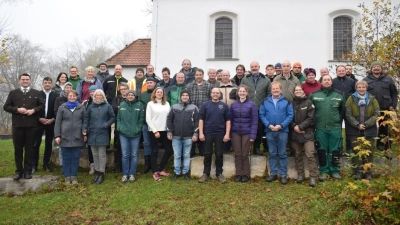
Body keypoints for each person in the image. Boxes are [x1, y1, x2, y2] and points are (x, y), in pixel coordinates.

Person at [4, 73, 44, 180]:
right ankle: (18, 171)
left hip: (31, 125)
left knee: (29, 149)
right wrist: (17, 109)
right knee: (18, 149)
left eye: (27, 79)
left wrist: (33, 110)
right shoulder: (13, 93)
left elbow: (41, 106)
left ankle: (27, 171)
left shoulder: (36, 93)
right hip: (18, 126)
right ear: (19, 81)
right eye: (23, 79)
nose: (25, 81)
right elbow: (6, 107)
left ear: (30, 81)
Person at [309, 75, 345, 181]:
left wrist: (338, 122)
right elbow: (310, 111)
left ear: (331, 82)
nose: (327, 81)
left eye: (328, 80)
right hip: (320, 127)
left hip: (335, 127)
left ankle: (335, 171)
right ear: (321, 82)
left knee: (335, 150)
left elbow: (343, 111)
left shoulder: (339, 95)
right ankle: (324, 171)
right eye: (325, 80)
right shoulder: (314, 95)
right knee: (322, 150)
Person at [260, 82, 293, 185]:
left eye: (277, 89)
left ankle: (283, 175)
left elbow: (290, 115)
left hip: (282, 130)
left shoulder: (287, 101)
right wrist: (268, 125)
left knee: (282, 153)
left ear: (281, 90)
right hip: (270, 130)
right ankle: (273, 173)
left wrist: (281, 125)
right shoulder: (265, 101)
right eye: (273, 89)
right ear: (271, 90)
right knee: (272, 153)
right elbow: (261, 114)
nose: (275, 90)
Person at [346, 80, 380, 180]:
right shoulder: (351, 98)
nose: (361, 89)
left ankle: (368, 172)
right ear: (356, 88)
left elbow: (377, 114)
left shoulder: (372, 99)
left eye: (363, 87)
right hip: (354, 130)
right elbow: (348, 114)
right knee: (357, 152)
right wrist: (357, 125)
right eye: (359, 87)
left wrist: (366, 124)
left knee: (369, 152)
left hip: (369, 130)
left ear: (366, 88)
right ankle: (358, 172)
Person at [198, 87, 231, 184]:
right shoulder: (205, 105)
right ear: (211, 94)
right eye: (214, 93)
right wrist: (201, 132)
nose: (215, 94)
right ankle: (206, 173)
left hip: (220, 133)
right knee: (207, 153)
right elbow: (201, 120)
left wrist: (227, 134)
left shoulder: (224, 106)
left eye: (217, 93)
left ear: (220, 94)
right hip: (207, 132)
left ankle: (219, 174)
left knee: (219, 154)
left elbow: (228, 121)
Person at [82, 89, 115, 184]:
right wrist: (84, 128)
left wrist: (106, 124)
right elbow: (87, 119)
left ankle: (101, 173)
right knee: (95, 154)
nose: (99, 97)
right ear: (94, 96)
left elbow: (113, 117)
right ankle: (97, 172)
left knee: (102, 154)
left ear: (103, 96)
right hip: (92, 133)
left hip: (103, 133)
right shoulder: (91, 107)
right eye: (97, 95)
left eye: (100, 95)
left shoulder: (107, 106)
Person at [363, 61, 398, 150]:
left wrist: (393, 105)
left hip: (385, 108)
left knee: (384, 127)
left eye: (378, 66)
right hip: (371, 108)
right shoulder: (366, 80)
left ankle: (381, 144)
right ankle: (369, 144)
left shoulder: (388, 79)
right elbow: (362, 94)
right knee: (370, 126)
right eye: (374, 67)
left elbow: (394, 93)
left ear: (381, 69)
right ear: (371, 69)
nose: (376, 68)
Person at [54, 90, 86, 185]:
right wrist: (57, 135)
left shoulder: (81, 107)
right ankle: (67, 176)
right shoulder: (62, 108)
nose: (72, 97)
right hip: (64, 137)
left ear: (77, 97)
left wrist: (85, 132)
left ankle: (74, 176)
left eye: (74, 96)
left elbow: (85, 121)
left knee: (75, 157)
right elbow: (58, 122)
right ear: (67, 97)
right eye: (70, 96)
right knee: (66, 157)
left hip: (77, 137)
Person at [167, 90, 199, 181]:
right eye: (183, 95)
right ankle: (176, 172)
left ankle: (185, 172)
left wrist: (195, 133)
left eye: (187, 95)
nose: (185, 97)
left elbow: (197, 121)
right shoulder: (174, 107)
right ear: (181, 97)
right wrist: (169, 132)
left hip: (188, 136)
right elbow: (169, 119)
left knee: (186, 155)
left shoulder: (194, 107)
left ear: (189, 97)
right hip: (176, 136)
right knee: (177, 155)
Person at [240, 61, 271, 155]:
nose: (254, 68)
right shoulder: (245, 79)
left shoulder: (266, 80)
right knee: (246, 128)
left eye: (255, 66)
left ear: (259, 67)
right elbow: (241, 91)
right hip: (247, 108)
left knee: (259, 129)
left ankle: (256, 147)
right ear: (250, 68)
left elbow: (269, 93)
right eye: (252, 67)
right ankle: (246, 148)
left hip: (260, 108)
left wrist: (264, 104)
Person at [290, 85, 318, 187]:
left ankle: (313, 177)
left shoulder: (309, 103)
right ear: (294, 92)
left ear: (303, 91)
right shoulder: (291, 103)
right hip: (295, 134)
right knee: (297, 155)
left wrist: (301, 127)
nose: (298, 91)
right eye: (296, 90)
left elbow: (311, 118)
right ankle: (301, 175)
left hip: (307, 133)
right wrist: (295, 127)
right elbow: (289, 117)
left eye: (299, 90)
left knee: (310, 154)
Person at [230, 85, 258, 183]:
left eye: (243, 91)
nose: (242, 93)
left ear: (247, 93)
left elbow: (255, 121)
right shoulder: (233, 105)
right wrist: (230, 133)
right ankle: (238, 174)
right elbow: (231, 120)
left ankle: (246, 174)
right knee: (237, 154)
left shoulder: (252, 105)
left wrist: (253, 135)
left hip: (247, 132)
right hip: (235, 132)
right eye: (240, 91)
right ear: (238, 93)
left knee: (245, 154)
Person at [146, 87, 173, 181]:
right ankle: (155, 172)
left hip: (165, 130)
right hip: (154, 131)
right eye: (158, 92)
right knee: (154, 151)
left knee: (169, 150)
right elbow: (148, 119)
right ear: (154, 93)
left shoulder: (167, 104)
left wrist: (169, 130)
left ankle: (161, 169)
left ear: (163, 94)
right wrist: (155, 131)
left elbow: (169, 118)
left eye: (161, 92)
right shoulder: (150, 104)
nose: (159, 93)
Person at [117, 90, 144, 183]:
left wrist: (138, 128)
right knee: (125, 155)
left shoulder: (139, 105)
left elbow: (141, 118)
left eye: (132, 95)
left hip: (135, 134)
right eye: (129, 95)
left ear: (135, 96)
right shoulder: (122, 105)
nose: (130, 96)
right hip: (123, 134)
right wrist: (119, 127)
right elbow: (118, 118)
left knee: (134, 155)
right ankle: (125, 174)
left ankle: (132, 174)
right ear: (126, 96)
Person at [185, 68, 213, 157]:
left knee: (203, 131)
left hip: (205, 114)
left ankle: (202, 150)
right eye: (197, 75)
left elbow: (211, 99)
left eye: (200, 75)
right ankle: (192, 150)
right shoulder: (189, 86)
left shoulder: (209, 86)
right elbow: (186, 99)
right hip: (192, 114)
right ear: (195, 76)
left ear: (203, 75)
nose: (198, 76)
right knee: (192, 131)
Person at [32, 77, 57, 173]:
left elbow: (57, 108)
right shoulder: (37, 94)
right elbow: (34, 107)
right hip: (39, 122)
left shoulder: (55, 95)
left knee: (48, 144)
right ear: (43, 84)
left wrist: (52, 119)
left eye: (49, 83)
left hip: (51, 122)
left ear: (52, 84)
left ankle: (46, 163)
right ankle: (34, 165)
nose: (47, 84)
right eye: (45, 83)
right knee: (36, 144)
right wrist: (39, 118)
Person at [138, 77, 157, 174]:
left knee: (155, 143)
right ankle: (147, 164)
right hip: (146, 123)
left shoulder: (158, 93)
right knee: (146, 143)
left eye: (151, 82)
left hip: (157, 124)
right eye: (148, 83)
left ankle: (155, 164)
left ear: (155, 83)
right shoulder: (142, 95)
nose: (149, 84)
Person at [111, 82, 130, 173]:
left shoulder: (131, 97)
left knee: (128, 147)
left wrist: (121, 108)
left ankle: (127, 165)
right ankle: (118, 165)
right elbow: (114, 108)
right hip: (119, 125)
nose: (123, 91)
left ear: (128, 89)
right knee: (119, 146)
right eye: (121, 89)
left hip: (130, 125)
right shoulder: (116, 99)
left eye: (125, 89)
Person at [81, 86, 97, 175]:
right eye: (91, 92)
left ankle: (99, 166)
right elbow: (84, 117)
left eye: (94, 91)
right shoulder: (86, 103)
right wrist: (85, 129)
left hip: (98, 129)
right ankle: (92, 165)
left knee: (99, 147)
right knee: (90, 147)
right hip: (89, 128)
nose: (92, 93)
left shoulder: (101, 102)